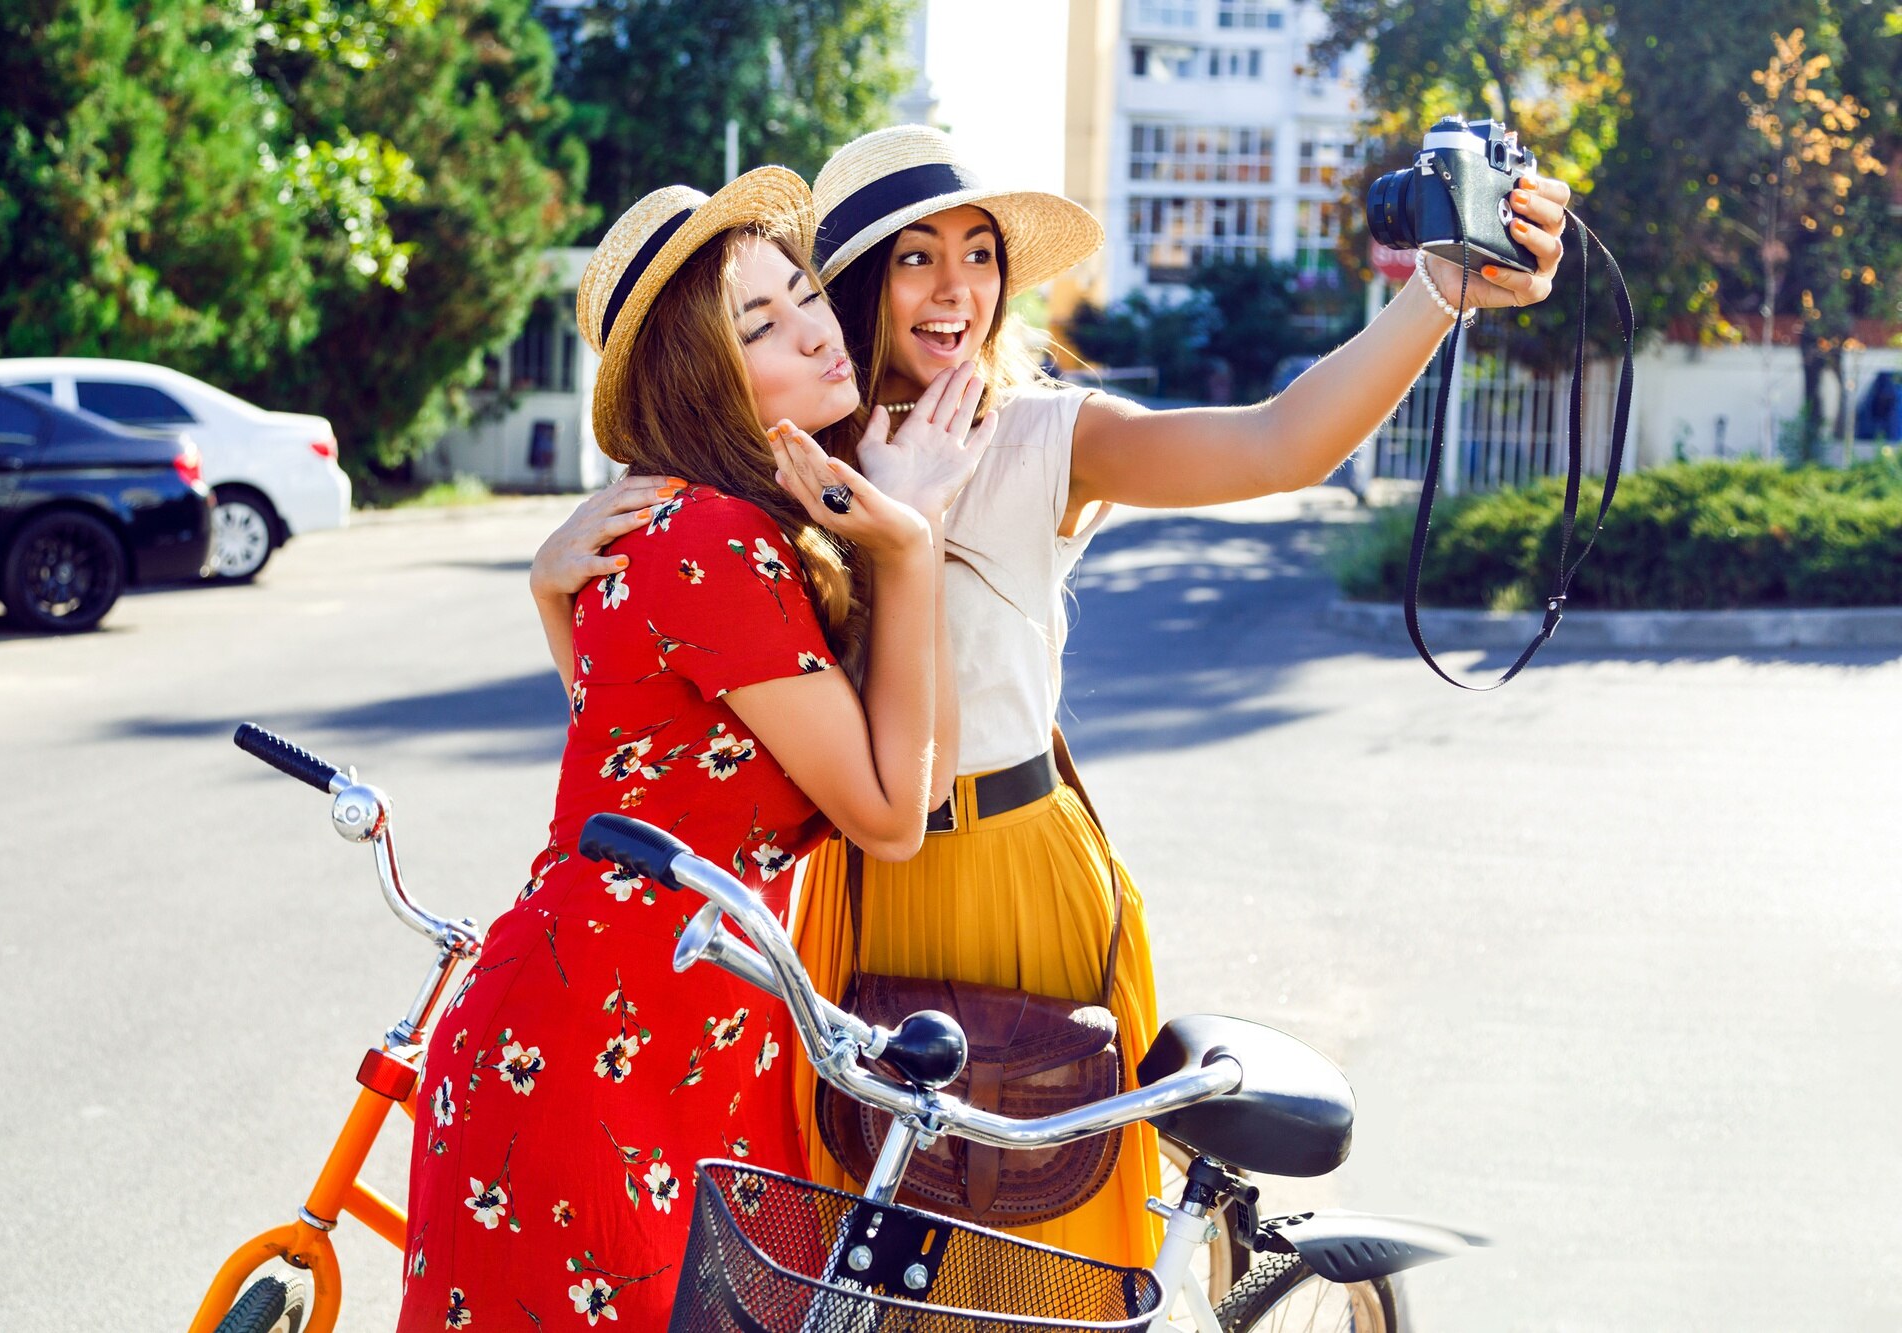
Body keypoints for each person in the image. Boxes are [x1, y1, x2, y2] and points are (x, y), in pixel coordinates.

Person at [786, 124, 1575, 1271]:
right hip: (846, 887)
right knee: (854, 1261)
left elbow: (1277, 444)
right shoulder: (797, 459)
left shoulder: (1043, 436)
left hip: (1013, 879)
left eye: (978, 252)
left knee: (1022, 1258)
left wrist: (1434, 297)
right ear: (858, 285)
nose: (955, 288)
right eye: (914, 257)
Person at [397, 166, 996, 1330]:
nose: (817, 332)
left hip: (688, 1030)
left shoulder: (731, 522)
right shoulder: (708, 535)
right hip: (596, 1049)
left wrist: (906, 541)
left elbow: (910, 780)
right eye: (758, 325)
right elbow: (887, 822)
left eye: (803, 292)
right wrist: (910, 551)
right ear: (699, 377)